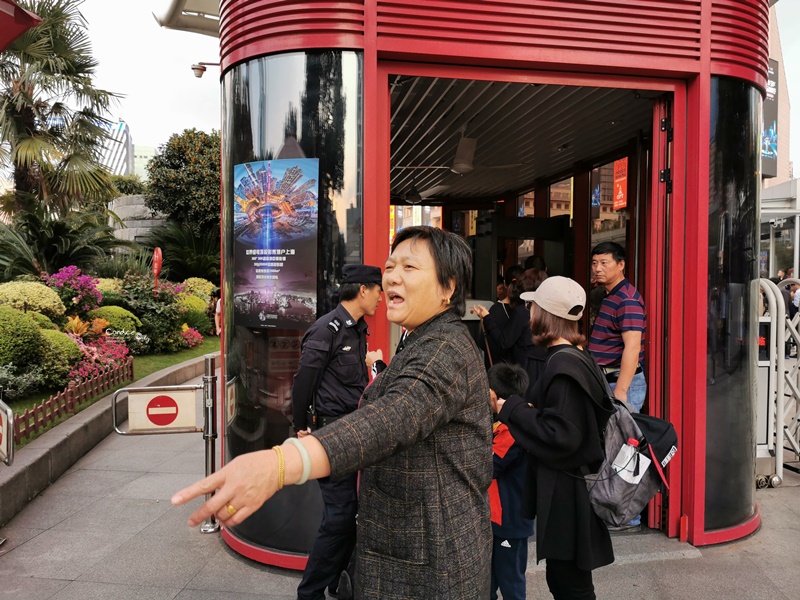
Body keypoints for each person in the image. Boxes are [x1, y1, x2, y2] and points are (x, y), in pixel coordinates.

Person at [172, 226, 493, 599]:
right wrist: (302, 426)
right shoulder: (412, 336)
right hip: (401, 543)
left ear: (447, 288)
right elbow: (309, 383)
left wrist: (279, 464)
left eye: (409, 267)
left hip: (431, 567)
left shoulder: (445, 348)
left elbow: (391, 419)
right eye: (390, 266)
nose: (391, 276)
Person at [496, 276, 615, 600]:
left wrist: (513, 408)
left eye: (533, 306)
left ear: (546, 314)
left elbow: (563, 435)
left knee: (569, 585)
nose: (529, 312)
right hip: (574, 487)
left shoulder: (562, 363)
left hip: (568, 492)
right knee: (567, 581)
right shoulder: (579, 356)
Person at [290, 263, 383, 600]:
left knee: (349, 513)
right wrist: (300, 427)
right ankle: (310, 591)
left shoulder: (358, 329)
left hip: (354, 433)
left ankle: (336, 582)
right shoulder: (325, 330)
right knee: (341, 516)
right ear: (363, 290)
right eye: (378, 289)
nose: (381, 298)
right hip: (330, 435)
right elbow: (303, 383)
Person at [588, 241, 646, 531]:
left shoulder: (627, 299)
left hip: (622, 384)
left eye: (604, 263)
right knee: (615, 451)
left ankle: (628, 516)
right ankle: (613, 510)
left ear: (621, 265)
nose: (598, 268)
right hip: (608, 382)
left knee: (627, 453)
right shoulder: (609, 296)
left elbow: (632, 348)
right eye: (595, 263)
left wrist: (620, 393)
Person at [487, 362, 534, 600]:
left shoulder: (511, 428)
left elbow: (490, 467)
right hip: (497, 518)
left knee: (511, 583)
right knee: (487, 583)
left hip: (509, 520)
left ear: (494, 395)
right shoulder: (505, 423)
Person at [474, 268, 549, 390]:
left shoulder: (523, 311)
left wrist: (487, 318)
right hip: (544, 365)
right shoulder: (548, 310)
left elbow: (504, 342)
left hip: (526, 368)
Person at [480, 265, 525, 368]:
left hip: (498, 370)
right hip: (522, 372)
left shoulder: (494, 310)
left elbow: (483, 343)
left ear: (505, 283)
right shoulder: (527, 310)